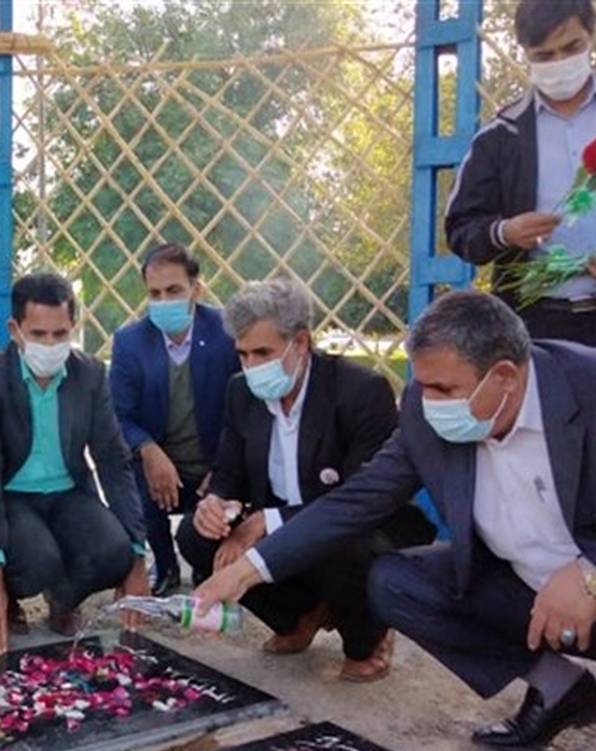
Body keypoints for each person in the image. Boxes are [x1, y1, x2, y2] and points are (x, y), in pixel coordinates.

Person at [196, 290, 596, 751]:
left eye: (443, 389)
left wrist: (589, 575)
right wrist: (246, 572)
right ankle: (560, 688)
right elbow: (354, 502)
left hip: (589, 584)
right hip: (525, 587)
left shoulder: (589, 387)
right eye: (422, 385)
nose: (429, 403)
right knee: (397, 583)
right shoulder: (426, 413)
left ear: (505, 376)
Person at [180, 279, 434, 682]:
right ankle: (300, 617)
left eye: (263, 353)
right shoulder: (241, 393)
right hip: (280, 523)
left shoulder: (360, 391)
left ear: (300, 342)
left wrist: (266, 521)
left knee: (345, 547)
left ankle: (369, 638)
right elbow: (228, 471)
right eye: (243, 354)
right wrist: (217, 503)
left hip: (358, 526)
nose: (251, 366)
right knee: (195, 536)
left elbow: (359, 501)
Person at [0, 272, 149, 655]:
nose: (50, 345)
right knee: (38, 561)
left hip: (67, 494)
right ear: (15, 330)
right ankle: (10, 594)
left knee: (115, 552)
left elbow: (113, 460)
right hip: (11, 496)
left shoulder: (90, 374)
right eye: (38, 334)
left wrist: (137, 557)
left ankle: (63, 599)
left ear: (73, 328)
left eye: (60, 334)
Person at [444, 0, 596, 346]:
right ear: (525, 52)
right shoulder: (500, 137)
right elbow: (460, 228)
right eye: (544, 55)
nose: (560, 63)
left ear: (591, 36)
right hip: (535, 325)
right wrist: (504, 232)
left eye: (572, 48)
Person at [109, 244, 240, 595]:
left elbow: (246, 412)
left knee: (215, 519)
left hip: (215, 462)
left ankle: (205, 566)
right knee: (133, 474)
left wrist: (224, 468)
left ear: (196, 289)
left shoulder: (227, 334)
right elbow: (118, 414)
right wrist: (148, 449)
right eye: (155, 294)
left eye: (173, 290)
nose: (164, 301)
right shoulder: (130, 342)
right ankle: (164, 566)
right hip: (161, 466)